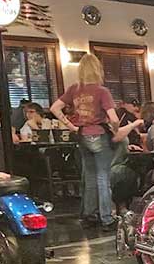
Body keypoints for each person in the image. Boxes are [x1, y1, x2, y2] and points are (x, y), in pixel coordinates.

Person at [50, 53, 120, 230]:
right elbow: (114, 118)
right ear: (98, 69)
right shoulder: (102, 91)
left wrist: (70, 126)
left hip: (82, 135)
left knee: (89, 177)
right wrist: (116, 131)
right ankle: (107, 218)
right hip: (99, 134)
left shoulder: (74, 89)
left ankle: (90, 215)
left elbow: (54, 108)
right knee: (103, 177)